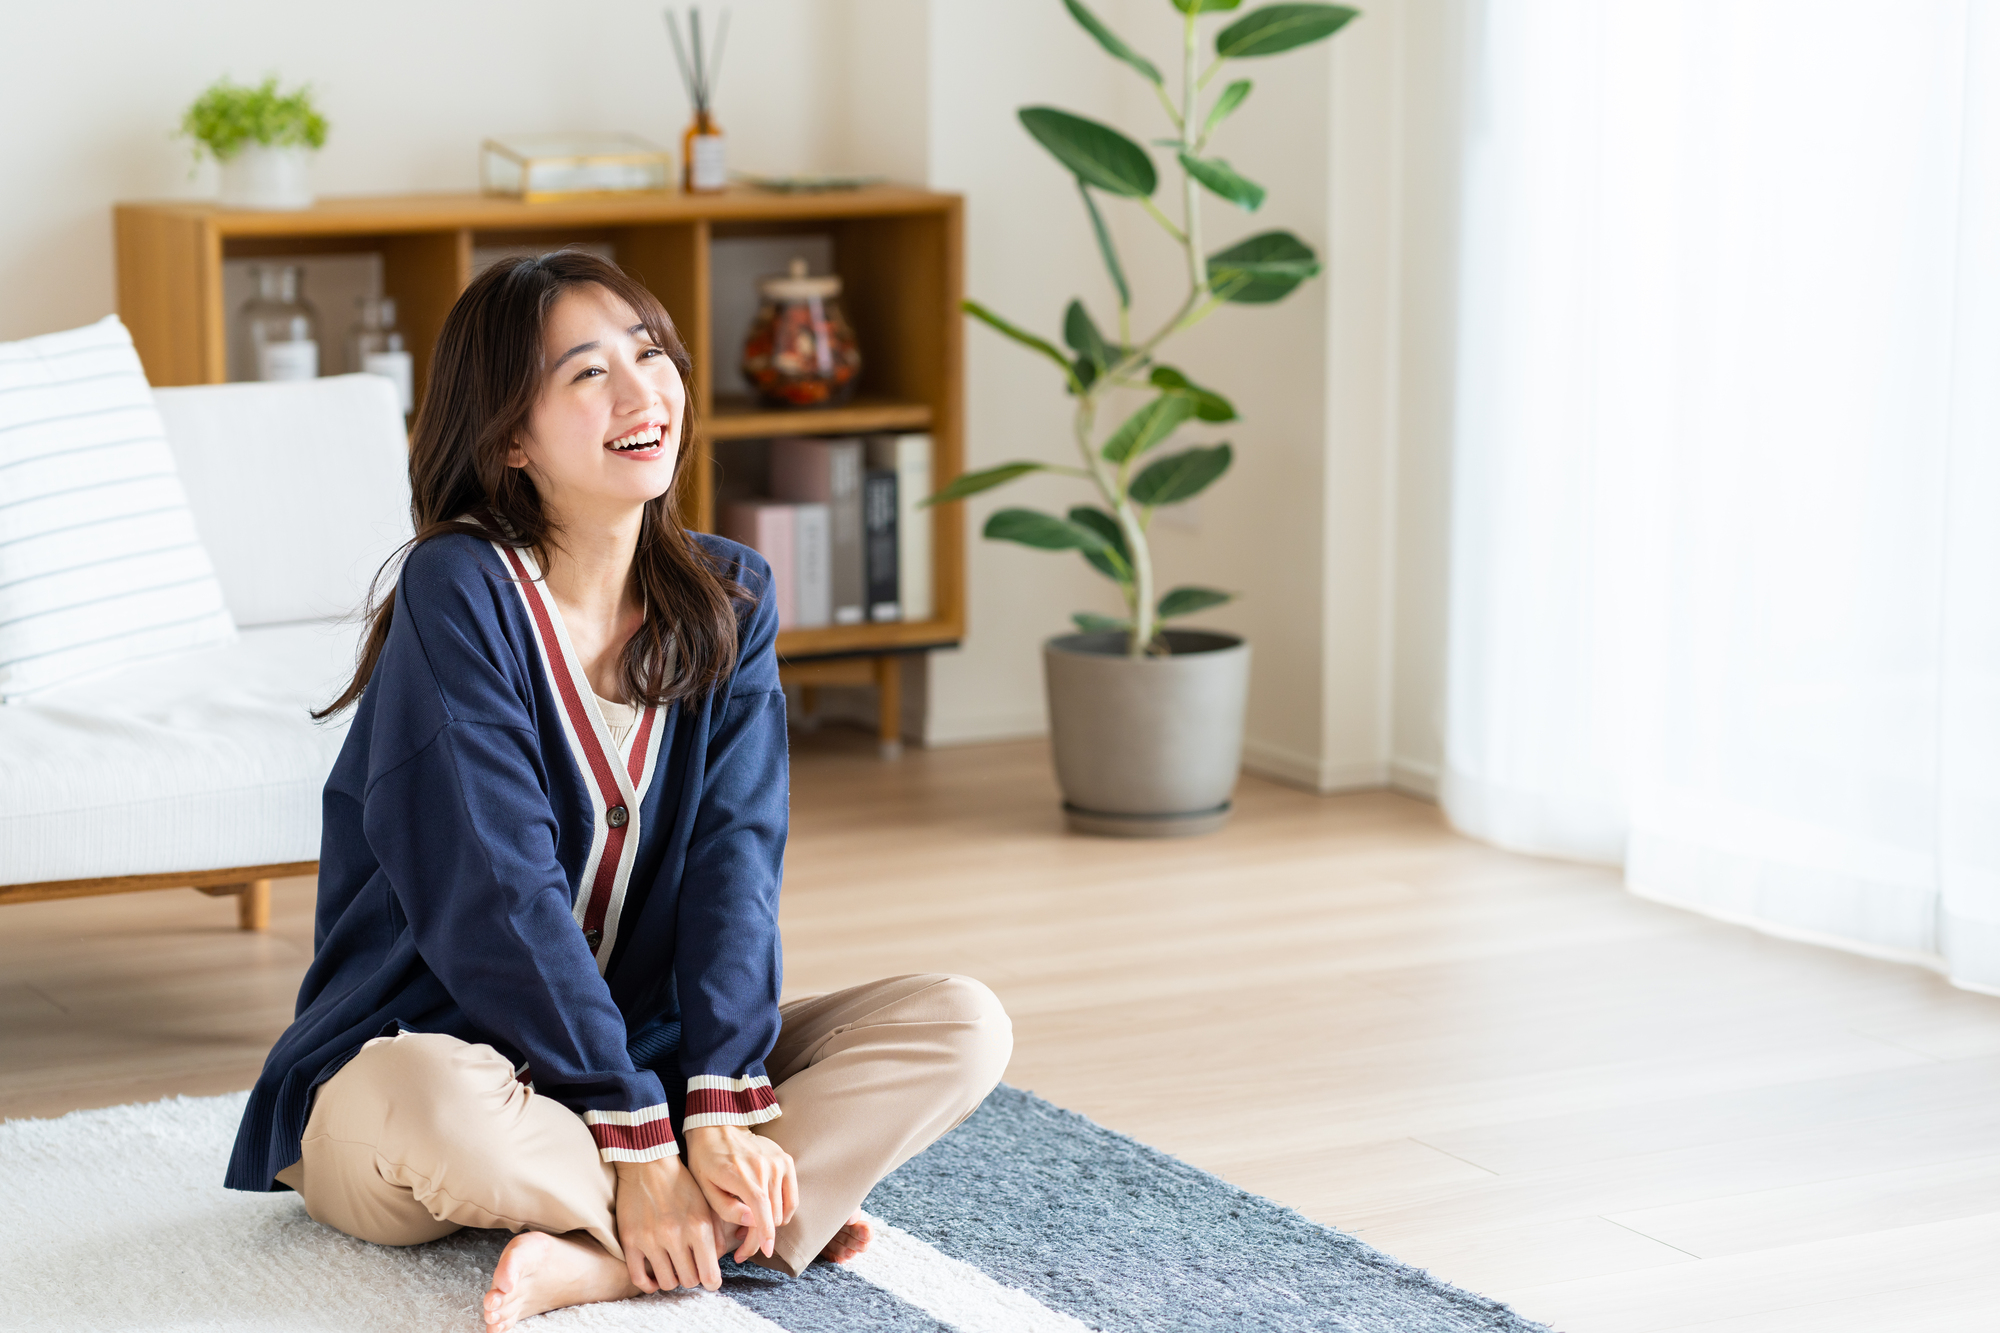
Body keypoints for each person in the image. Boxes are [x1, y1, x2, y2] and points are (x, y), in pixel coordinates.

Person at [225, 250, 1011, 1331]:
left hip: (642, 1065)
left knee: (959, 1022)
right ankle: (742, 1223)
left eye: (651, 355)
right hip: (428, 1072)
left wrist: (716, 1102)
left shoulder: (731, 595)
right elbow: (493, 890)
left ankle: (608, 1256)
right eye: (587, 374)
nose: (644, 395)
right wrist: (641, 1131)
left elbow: (736, 861)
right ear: (509, 438)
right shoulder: (458, 587)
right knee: (439, 1102)